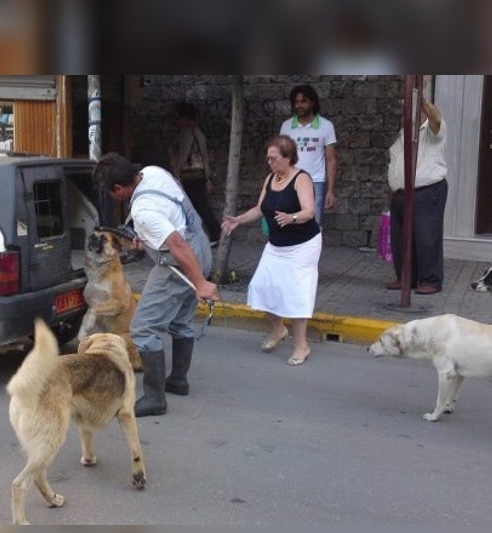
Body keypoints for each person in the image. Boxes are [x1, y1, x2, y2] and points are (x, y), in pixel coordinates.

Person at [93, 152, 219, 417]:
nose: (113, 198)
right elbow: (172, 213)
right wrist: (146, 235)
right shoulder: (153, 171)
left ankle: (154, 399)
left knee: (141, 328)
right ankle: (178, 380)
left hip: (180, 262)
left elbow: (176, 243)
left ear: (118, 188)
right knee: (180, 321)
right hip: (202, 244)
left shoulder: (142, 210)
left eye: (111, 193)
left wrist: (200, 282)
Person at [221, 135, 322, 366]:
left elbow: (309, 212)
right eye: (268, 159)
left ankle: (301, 346)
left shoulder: (301, 178)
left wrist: (292, 217)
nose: (270, 163)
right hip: (276, 245)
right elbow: (259, 209)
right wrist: (239, 220)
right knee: (259, 288)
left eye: (274, 158)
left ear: (288, 157)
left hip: (303, 246)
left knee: (296, 295)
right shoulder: (270, 179)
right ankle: (278, 329)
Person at [385, 98, 448, 295]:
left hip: (426, 191)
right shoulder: (405, 133)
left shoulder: (432, 130)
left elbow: (436, 119)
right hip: (401, 194)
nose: (408, 113)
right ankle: (406, 277)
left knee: (427, 237)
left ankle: (431, 280)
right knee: (401, 238)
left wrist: (420, 99)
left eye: (413, 109)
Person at [279, 84, 337, 227]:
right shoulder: (286, 126)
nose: (299, 105)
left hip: (316, 182)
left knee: (314, 224)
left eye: (303, 101)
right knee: (289, 222)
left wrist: (330, 190)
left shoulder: (326, 126)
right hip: (290, 181)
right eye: (296, 102)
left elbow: (331, 160)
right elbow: (281, 158)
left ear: (312, 102)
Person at [169, 101, 220, 244]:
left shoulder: (187, 132)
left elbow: (184, 154)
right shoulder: (197, 131)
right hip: (199, 174)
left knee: (196, 206)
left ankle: (212, 234)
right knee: (201, 205)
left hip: (190, 174)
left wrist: (176, 170)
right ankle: (212, 234)